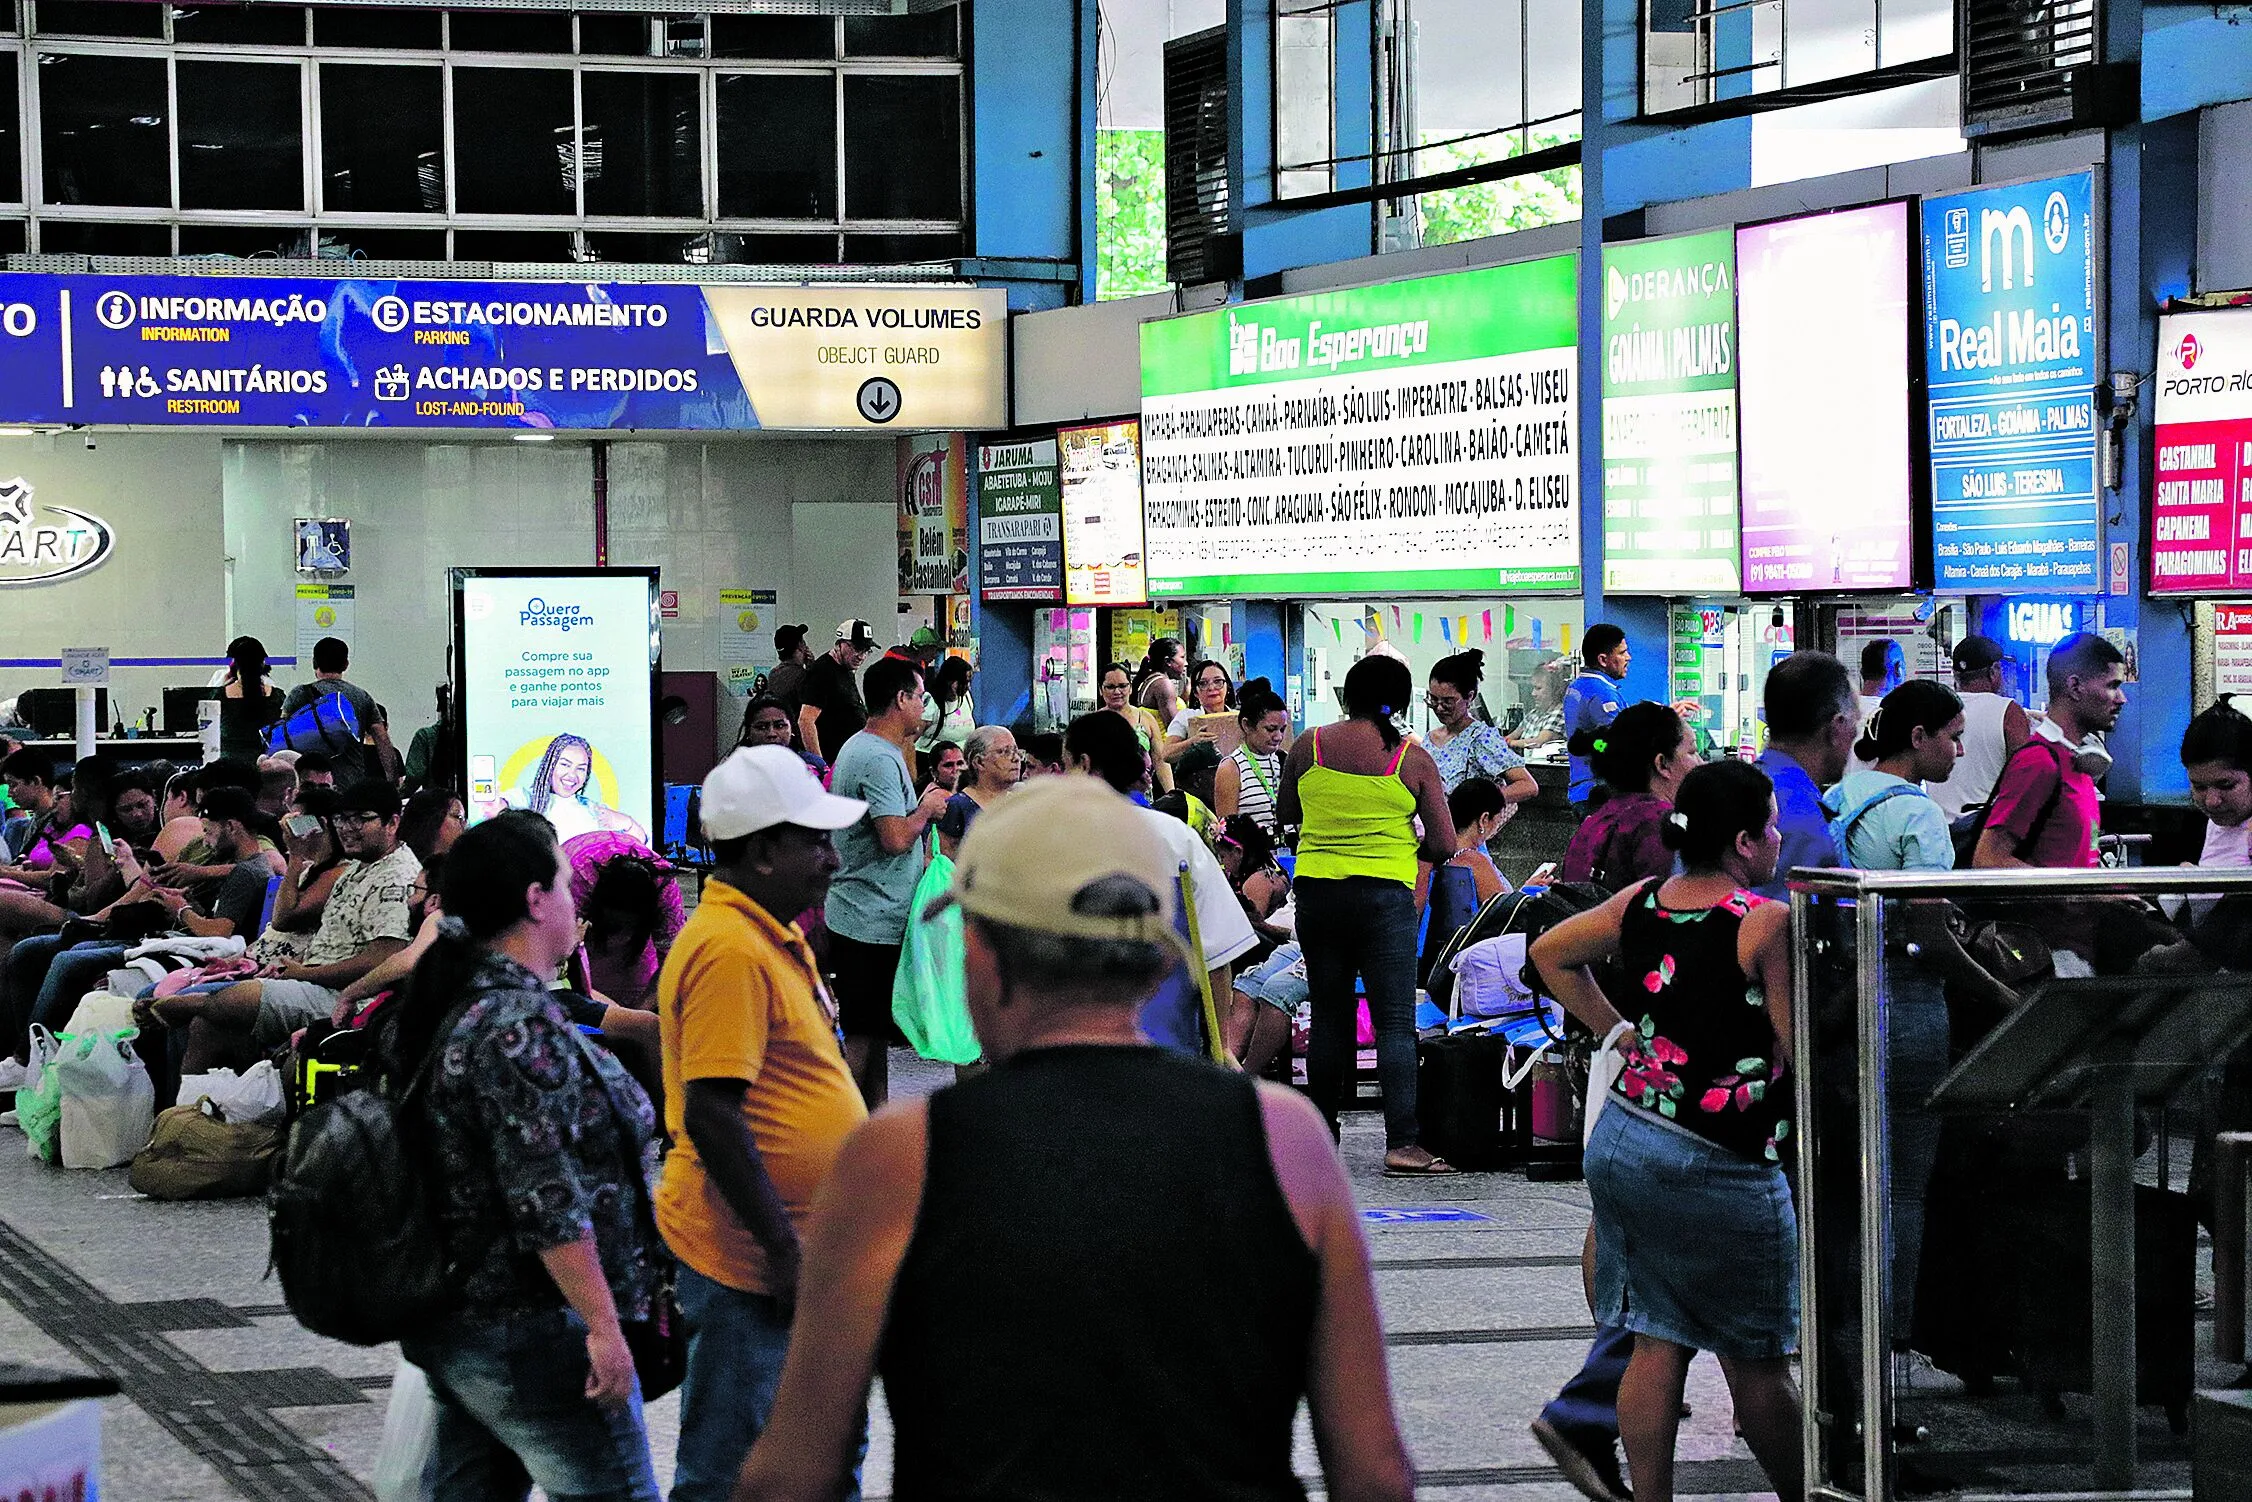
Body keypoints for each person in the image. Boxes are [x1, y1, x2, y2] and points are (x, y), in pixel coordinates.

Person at [731, 777, 1417, 1502]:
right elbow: (1373, 1473)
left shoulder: (901, 1159)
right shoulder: (1286, 1139)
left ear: (983, 955)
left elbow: (792, 1478)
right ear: (1158, 960)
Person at [371, 812, 666, 1502]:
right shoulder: (513, 1028)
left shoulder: (461, 1003)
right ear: (537, 900)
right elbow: (545, 1196)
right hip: (532, 1328)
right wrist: (602, 1325)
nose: (577, 907)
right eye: (566, 886)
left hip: (470, 1319)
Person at [1531, 761, 1801, 1502]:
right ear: (1745, 842)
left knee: (1655, 1337)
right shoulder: (1763, 921)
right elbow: (1793, 1044)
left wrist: (1616, 1031)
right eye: (1771, 826)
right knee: (1756, 1359)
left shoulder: (1639, 903)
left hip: (1627, 1140)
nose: (1779, 838)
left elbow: (1548, 952)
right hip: (1722, 1160)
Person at [654, 747, 871, 1502]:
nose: (832, 857)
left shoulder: (768, 935)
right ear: (764, 848)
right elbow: (712, 1111)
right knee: (729, 1468)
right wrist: (781, 1249)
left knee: (820, 1460)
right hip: (749, 1262)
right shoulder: (727, 948)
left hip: (800, 1257)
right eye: (815, 840)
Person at [1278, 654, 1457, 1174]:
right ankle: (1402, 1143)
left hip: (1318, 894)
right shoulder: (1411, 759)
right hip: (1386, 900)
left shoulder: (1306, 746)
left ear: (1345, 695)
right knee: (1394, 1022)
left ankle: (1319, 1140)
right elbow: (1445, 844)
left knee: (1329, 1017)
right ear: (1400, 702)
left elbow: (1289, 815)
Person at [145, 779, 418, 1072]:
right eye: (342, 819)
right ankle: (185, 1109)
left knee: (200, 1002)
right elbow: (321, 936)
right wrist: (295, 966)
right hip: (303, 974)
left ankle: (189, 1005)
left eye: (360, 819)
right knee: (206, 1028)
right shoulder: (356, 870)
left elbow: (381, 958)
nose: (347, 828)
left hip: (349, 997)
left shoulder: (396, 876)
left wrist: (306, 973)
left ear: (392, 823)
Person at [1062, 710, 1259, 1051]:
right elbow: (1217, 958)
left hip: (1065, 1054)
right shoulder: (1176, 839)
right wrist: (1221, 1048)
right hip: (1169, 1053)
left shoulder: (1043, 840)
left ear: (1083, 762)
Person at [827, 653, 951, 1109]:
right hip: (868, 917)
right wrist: (927, 809)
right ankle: (833, 1128)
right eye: (920, 697)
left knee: (874, 1033)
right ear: (900, 699)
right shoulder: (877, 758)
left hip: (872, 910)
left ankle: (872, 1121)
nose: (924, 707)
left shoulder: (871, 749)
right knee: (861, 1034)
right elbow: (895, 837)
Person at [1972, 632, 2123, 876]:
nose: (2121, 698)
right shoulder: (2038, 762)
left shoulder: (2079, 765)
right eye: (2112, 686)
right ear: (2075, 687)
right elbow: (1988, 859)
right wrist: (2087, 894)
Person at [1752, 650, 1859, 901]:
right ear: (1837, 727)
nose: (1856, 736)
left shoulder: (1730, 789)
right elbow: (1787, 927)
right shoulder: (1799, 817)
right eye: (1855, 723)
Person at [1562, 703, 1701, 890]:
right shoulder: (1662, 827)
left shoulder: (1594, 822)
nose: (1701, 762)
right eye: (1692, 752)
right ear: (1662, 764)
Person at [569, 834, 687, 1011]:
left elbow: (673, 962)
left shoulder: (665, 889)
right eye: (615, 925)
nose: (619, 935)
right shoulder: (576, 879)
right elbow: (558, 961)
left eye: (626, 926)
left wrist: (638, 1014)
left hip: (635, 950)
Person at [1928, 634, 2033, 821]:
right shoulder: (2009, 712)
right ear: (1993, 671)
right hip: (1985, 833)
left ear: (1955, 675)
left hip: (1938, 828)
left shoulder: (1935, 709)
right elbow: (2025, 781)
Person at [1425, 649, 1540, 805]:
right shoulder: (1429, 740)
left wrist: (1479, 802)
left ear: (1470, 696)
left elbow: (1527, 786)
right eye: (1433, 699)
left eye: (1448, 701)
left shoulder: (1482, 738)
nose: (1439, 708)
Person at [491, 733, 648, 845]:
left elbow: (638, 843)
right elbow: (498, 810)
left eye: (581, 768)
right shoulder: (525, 798)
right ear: (549, 766)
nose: (572, 775)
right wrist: (494, 804)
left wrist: (627, 822)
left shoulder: (593, 809)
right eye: (565, 765)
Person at [281, 636, 379, 782]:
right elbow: (381, 737)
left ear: (314, 663)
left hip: (310, 782)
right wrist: (393, 778)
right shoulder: (361, 696)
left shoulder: (299, 694)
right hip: (350, 781)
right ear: (346, 665)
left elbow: (282, 735)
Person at [1566, 626, 1632, 811]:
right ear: (1603, 659)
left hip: (1582, 791)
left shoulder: (1578, 686)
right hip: (1598, 793)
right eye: (1622, 653)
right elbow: (1612, 745)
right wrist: (1598, 746)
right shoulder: (1602, 693)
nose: (1628, 658)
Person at [1214, 676, 1289, 838]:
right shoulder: (1231, 768)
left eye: (1282, 730)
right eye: (1270, 729)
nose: (1278, 737)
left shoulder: (1285, 760)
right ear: (1247, 725)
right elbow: (1228, 833)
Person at [798, 620, 879, 762]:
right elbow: (805, 720)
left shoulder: (846, 670)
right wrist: (820, 765)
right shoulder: (823, 671)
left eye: (866, 651)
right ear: (840, 644)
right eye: (856, 648)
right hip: (832, 761)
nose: (861, 656)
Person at [936, 725, 1018, 860]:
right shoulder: (957, 806)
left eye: (1016, 751)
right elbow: (944, 861)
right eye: (1005, 752)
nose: (1016, 758)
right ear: (979, 762)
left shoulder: (1019, 801)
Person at [1429, 777, 1511, 907]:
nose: (1496, 828)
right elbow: (1502, 912)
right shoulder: (1474, 861)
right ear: (1483, 820)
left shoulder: (1434, 851)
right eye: (1497, 820)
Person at [1096, 662, 1174, 795]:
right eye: (1110, 687)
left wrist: (1172, 793)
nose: (1117, 692)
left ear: (1130, 688)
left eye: (1122, 686)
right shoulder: (1092, 722)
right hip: (1104, 797)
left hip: (1142, 797)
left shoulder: (1146, 718)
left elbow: (1160, 761)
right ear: (1100, 689)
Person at [218, 635, 287, 761]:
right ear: (262, 663)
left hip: (227, 764)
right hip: (266, 761)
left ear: (233, 664)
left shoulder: (219, 696)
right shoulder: (277, 696)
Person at [738, 694, 829, 783]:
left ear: (791, 729)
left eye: (780, 726)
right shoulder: (735, 768)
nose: (771, 734)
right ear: (748, 732)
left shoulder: (814, 765)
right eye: (761, 727)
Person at [915, 656, 976, 778]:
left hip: (960, 761)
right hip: (930, 764)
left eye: (969, 682)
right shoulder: (931, 701)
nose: (967, 687)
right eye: (963, 682)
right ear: (949, 681)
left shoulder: (966, 698)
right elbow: (912, 737)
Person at [402, 683, 455, 794]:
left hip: (436, 805)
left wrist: (397, 796)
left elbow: (414, 777)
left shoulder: (425, 736)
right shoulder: (478, 735)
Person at [763, 625, 814, 739]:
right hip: (798, 739)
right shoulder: (803, 676)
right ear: (801, 646)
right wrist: (812, 668)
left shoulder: (773, 674)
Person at [397, 786, 467, 865]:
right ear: (431, 820)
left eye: (464, 819)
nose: (464, 825)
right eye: (458, 817)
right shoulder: (405, 868)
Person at [1134, 636, 1188, 729]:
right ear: (1168, 661)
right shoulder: (1164, 685)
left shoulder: (1150, 680)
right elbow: (1175, 727)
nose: (1186, 663)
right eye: (1182, 657)